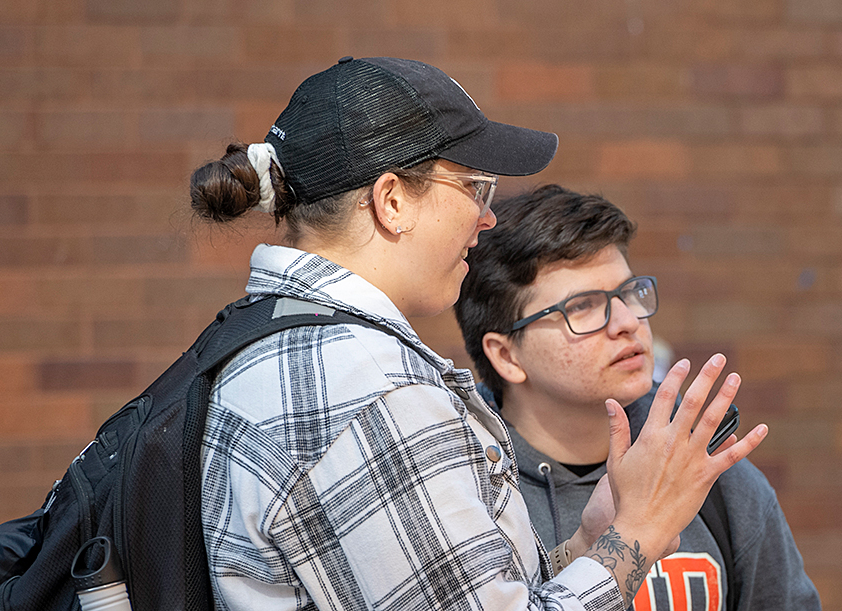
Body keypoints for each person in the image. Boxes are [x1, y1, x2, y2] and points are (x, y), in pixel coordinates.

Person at [187, 56, 768, 611]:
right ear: (392, 202)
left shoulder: (265, 340)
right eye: (473, 188)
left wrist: (591, 545)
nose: (486, 218)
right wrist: (641, 532)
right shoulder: (367, 389)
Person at [452, 184, 823, 611]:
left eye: (630, 293)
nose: (627, 322)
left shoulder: (711, 477)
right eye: (584, 307)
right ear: (505, 355)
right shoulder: (464, 492)